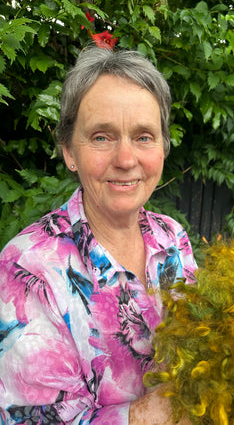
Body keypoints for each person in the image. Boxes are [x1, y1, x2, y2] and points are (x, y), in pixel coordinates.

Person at [0, 46, 197, 424]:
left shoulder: (172, 239)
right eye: (102, 137)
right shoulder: (28, 270)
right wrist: (173, 410)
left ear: (163, 148)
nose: (125, 160)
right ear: (69, 150)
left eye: (143, 136)